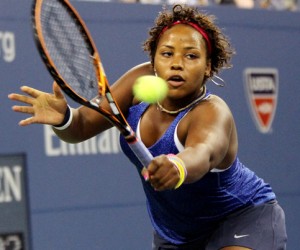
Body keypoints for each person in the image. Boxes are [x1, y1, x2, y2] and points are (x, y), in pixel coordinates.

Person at [9, 4, 287, 250]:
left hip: (241, 215)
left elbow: (201, 153)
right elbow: (81, 127)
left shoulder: (212, 112)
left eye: (191, 56)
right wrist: (64, 118)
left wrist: (177, 167)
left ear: (208, 67)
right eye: (167, 54)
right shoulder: (137, 82)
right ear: (153, 60)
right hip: (176, 235)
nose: (177, 63)